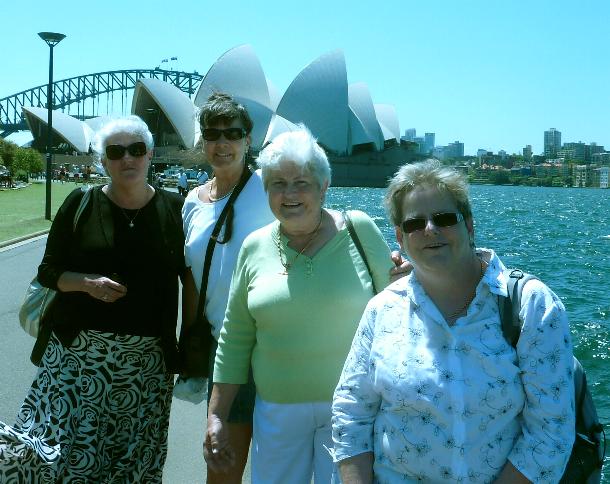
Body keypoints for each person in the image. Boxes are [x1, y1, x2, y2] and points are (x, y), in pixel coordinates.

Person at [332, 160, 575, 483]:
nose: (430, 229)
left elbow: (551, 433)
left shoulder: (531, 305)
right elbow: (351, 412)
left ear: (469, 226)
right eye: (414, 224)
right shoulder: (382, 310)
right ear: (400, 238)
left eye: (444, 218)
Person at [205, 126, 399, 484]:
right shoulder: (253, 247)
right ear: (266, 191)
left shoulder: (359, 229)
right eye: (277, 183)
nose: (289, 194)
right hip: (276, 411)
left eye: (302, 183)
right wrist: (216, 414)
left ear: (324, 187)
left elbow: (398, 307)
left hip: (352, 409)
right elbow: (234, 339)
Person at [0, 115, 186, 482]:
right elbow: (48, 272)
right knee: (64, 455)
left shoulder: (176, 209)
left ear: (150, 155)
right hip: (77, 358)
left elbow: (192, 278)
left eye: (136, 150)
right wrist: (86, 283)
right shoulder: (80, 203)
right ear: (103, 161)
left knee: (131, 461)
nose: (127, 159)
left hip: (145, 366)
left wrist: (192, 345)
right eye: (115, 152)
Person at [180, 92, 275, 484]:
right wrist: (188, 339)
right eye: (212, 134)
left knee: (279, 471)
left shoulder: (272, 190)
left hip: (274, 347)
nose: (222, 143)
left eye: (231, 133)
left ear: (248, 140)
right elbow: (189, 278)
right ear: (202, 141)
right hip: (226, 353)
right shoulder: (191, 202)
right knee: (222, 468)